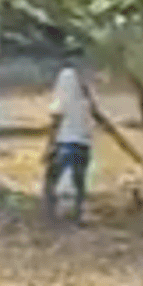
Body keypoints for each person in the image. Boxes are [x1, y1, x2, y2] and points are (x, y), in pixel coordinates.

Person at [42, 51, 95, 223]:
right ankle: (77, 215)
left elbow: (56, 119)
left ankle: (50, 216)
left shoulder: (63, 92)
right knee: (79, 183)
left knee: (51, 180)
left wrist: (48, 146)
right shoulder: (84, 98)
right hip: (84, 145)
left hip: (65, 143)